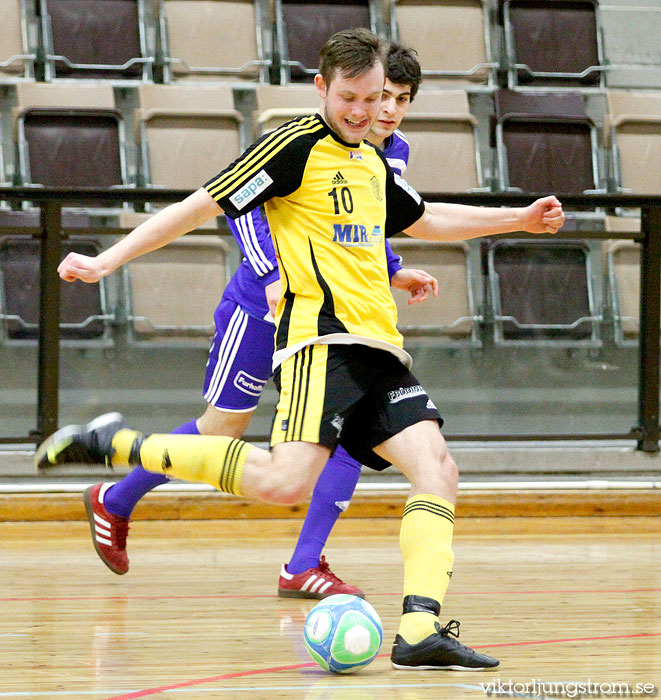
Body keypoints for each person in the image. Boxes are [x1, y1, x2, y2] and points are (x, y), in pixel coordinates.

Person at [37, 28, 565, 670]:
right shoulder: (293, 145)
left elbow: (421, 218)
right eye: (353, 98)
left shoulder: (374, 159)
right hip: (322, 345)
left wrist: (517, 218)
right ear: (323, 88)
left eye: (377, 100)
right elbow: (197, 208)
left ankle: (420, 629)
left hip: (382, 350)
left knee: (439, 471)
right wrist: (105, 261)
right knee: (285, 481)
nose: (367, 112)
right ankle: (113, 445)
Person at [78, 43, 435, 603]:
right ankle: (116, 498)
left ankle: (303, 563)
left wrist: (391, 270)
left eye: (397, 100)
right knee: (224, 428)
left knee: (348, 431)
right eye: (376, 96)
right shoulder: (304, 139)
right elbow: (249, 206)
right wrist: (271, 272)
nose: (383, 110)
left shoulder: (389, 150)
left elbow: (355, 224)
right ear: (332, 90)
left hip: (331, 321)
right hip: (261, 309)